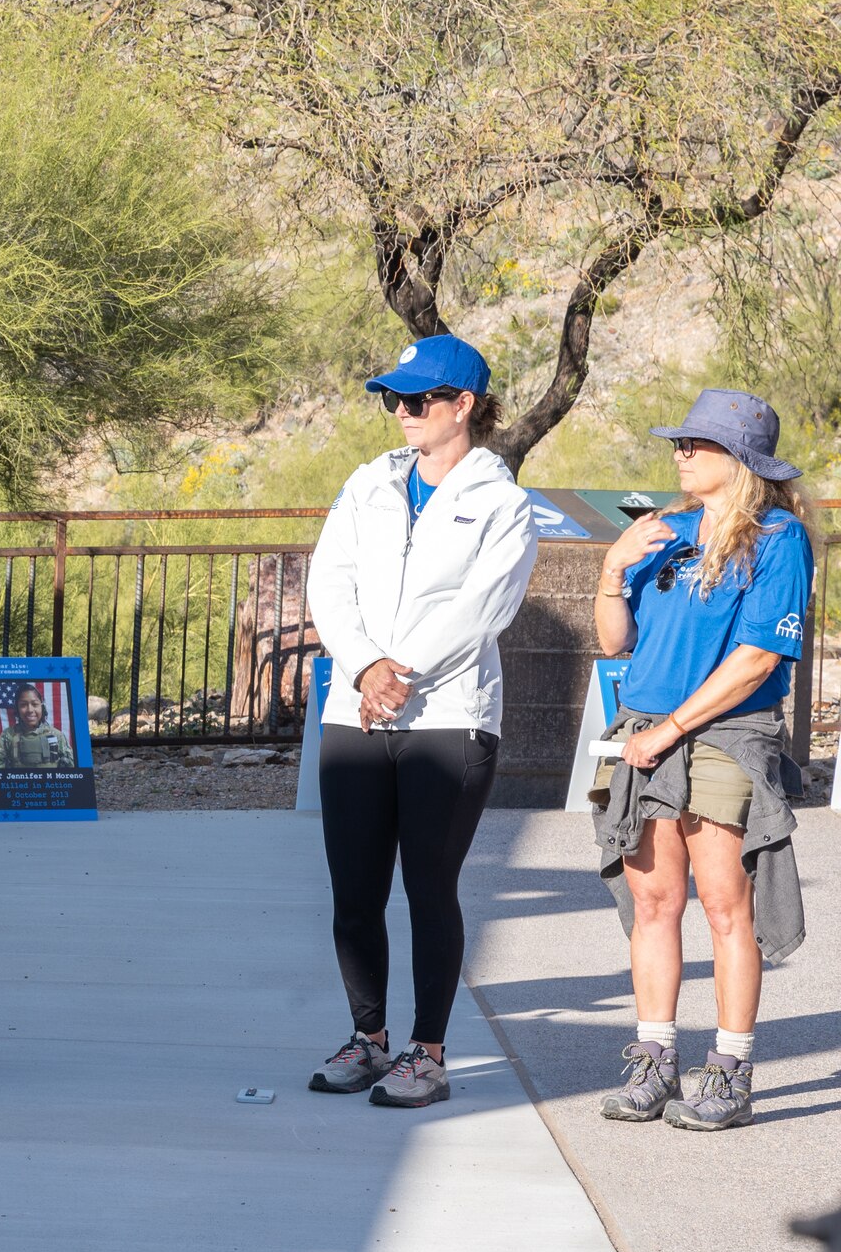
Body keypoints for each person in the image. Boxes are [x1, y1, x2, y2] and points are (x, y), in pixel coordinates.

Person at [304, 334, 537, 1109]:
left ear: (462, 405)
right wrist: (366, 667)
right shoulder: (367, 486)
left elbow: (483, 610)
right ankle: (367, 1039)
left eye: (417, 399)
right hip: (356, 710)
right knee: (353, 890)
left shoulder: (501, 503)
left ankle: (427, 1053)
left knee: (429, 887)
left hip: (449, 717)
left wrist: (399, 674)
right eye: (393, 399)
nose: (401, 412)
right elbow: (329, 582)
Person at [589, 389, 814, 1132]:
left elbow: (756, 659)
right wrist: (613, 568)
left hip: (723, 733)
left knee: (725, 906)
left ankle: (729, 1069)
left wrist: (672, 730)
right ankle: (655, 1061)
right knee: (653, 903)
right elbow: (617, 642)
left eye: (696, 444)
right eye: (679, 442)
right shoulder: (665, 531)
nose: (680, 454)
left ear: (739, 459)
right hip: (645, 725)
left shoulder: (778, 537)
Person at [0, 683, 74, 769]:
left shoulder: (57, 736)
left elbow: (70, 770)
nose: (30, 710)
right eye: (23, 705)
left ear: (42, 707)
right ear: (17, 708)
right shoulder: (8, 736)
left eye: (35, 704)